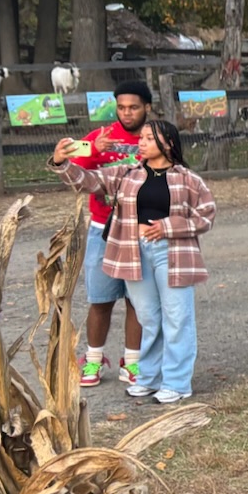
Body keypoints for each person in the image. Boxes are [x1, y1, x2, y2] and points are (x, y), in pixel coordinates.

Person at [51, 117, 216, 405]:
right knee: (149, 317)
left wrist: (168, 227)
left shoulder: (189, 179)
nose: (141, 142)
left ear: (169, 143)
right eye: (140, 138)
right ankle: (150, 378)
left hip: (172, 252)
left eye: (150, 138)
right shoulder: (127, 174)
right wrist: (62, 163)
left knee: (177, 318)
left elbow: (205, 215)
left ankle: (177, 383)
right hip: (133, 251)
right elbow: (90, 181)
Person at [69, 80, 151, 387]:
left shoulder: (154, 137)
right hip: (102, 229)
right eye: (121, 107)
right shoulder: (98, 137)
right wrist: (93, 151)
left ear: (147, 108)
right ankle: (93, 360)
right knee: (100, 299)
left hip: (140, 230)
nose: (126, 114)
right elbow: (72, 171)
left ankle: (132, 362)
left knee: (136, 300)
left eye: (134, 107)